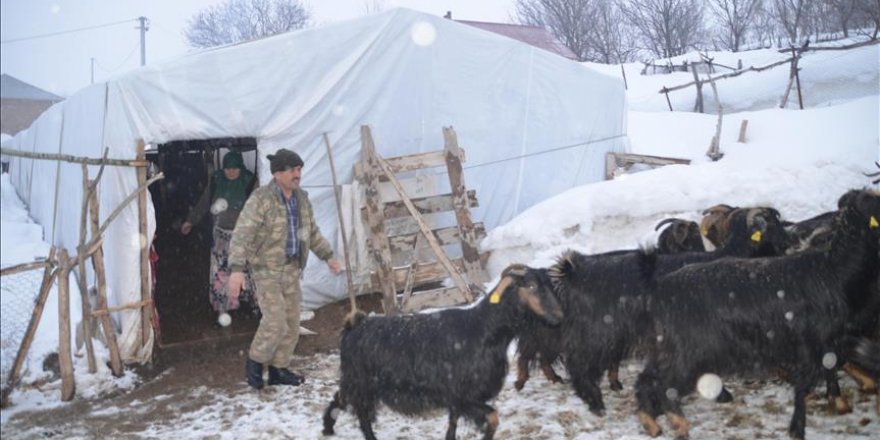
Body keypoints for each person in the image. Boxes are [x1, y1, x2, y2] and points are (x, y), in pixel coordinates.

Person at [227, 148, 342, 389]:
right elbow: (242, 235)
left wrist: (328, 256)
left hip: (292, 269)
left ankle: (278, 369)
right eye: (292, 170)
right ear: (277, 173)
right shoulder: (261, 199)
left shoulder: (302, 199)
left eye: (299, 169)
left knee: (291, 323)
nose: (297, 174)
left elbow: (311, 232)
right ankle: (255, 363)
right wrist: (236, 269)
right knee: (276, 321)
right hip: (266, 271)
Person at [181, 150, 257, 322]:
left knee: (245, 271)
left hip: (244, 237)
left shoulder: (250, 182)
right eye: (228, 168)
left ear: (241, 167)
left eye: (235, 168)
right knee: (221, 272)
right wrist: (190, 221)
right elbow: (204, 202)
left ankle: (248, 304)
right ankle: (224, 307)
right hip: (221, 236)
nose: (231, 172)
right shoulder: (217, 181)